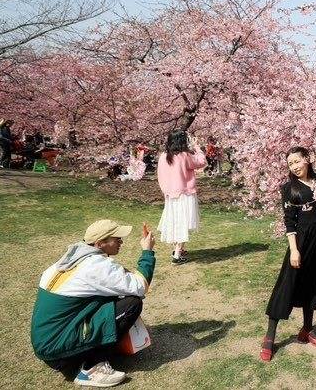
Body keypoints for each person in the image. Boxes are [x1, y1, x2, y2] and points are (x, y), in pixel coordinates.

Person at [31, 219, 156, 387]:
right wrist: (147, 251)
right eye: (116, 238)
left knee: (117, 298)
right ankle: (91, 367)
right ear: (99, 243)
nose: (121, 241)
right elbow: (140, 287)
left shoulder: (72, 259)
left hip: (49, 345)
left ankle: (91, 349)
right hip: (60, 352)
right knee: (131, 304)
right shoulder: (95, 266)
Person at [261, 147, 316, 362]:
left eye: (297, 161)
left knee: (313, 285)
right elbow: (289, 221)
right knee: (287, 286)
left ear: (307, 161)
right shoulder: (289, 189)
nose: (294, 166)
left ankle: (306, 330)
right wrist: (294, 250)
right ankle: (270, 337)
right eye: (290, 163)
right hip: (301, 243)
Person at [156, 130, 206, 264]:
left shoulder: (163, 156)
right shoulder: (184, 155)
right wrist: (197, 148)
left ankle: (178, 250)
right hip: (185, 193)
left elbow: (160, 175)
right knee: (183, 223)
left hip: (170, 194)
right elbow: (201, 162)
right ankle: (177, 254)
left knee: (174, 221)